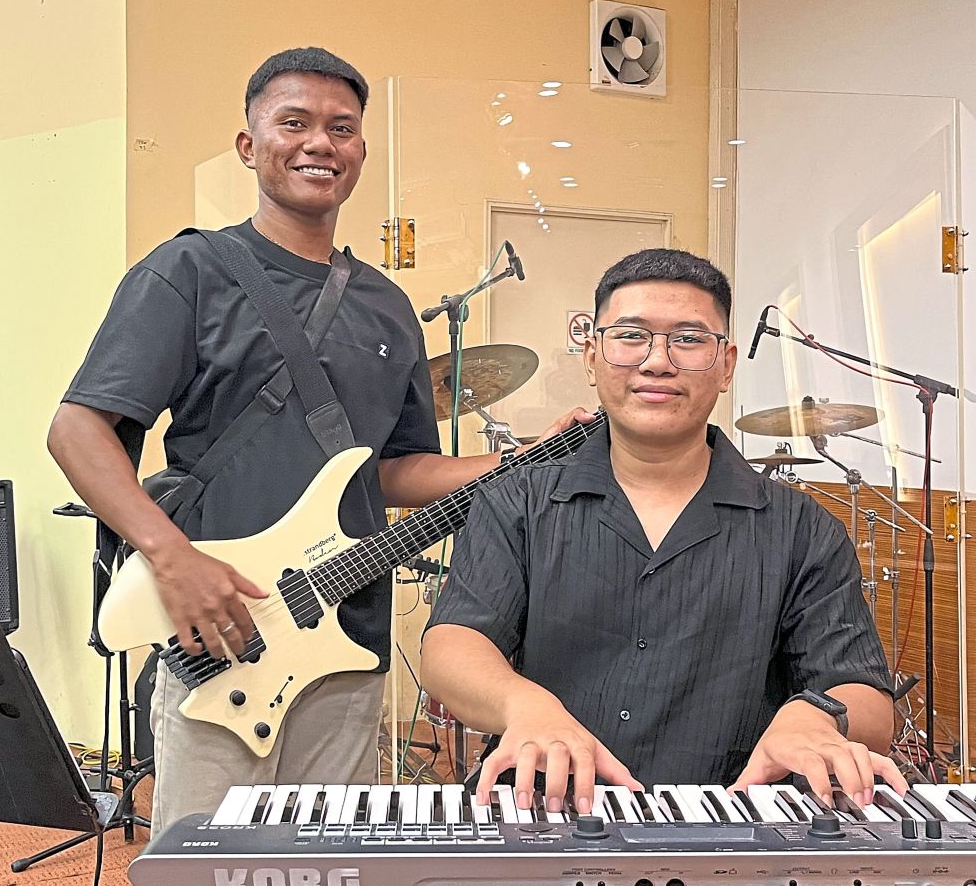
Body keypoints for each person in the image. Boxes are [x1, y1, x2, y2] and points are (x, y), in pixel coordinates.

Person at [47, 46, 587, 832]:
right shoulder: (189, 271)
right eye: (293, 123)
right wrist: (171, 555)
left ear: (361, 151)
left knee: (329, 858)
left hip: (346, 640)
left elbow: (395, 469)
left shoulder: (387, 305)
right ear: (248, 145)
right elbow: (77, 428)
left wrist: (514, 465)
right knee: (206, 868)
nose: (319, 144)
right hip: (222, 637)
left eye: (342, 129)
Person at [422, 248, 906, 818]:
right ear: (592, 355)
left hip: (737, 825)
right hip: (546, 810)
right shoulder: (518, 499)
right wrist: (523, 705)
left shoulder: (802, 528)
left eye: (689, 339)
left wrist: (818, 716)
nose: (657, 362)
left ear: (725, 366)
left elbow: (867, 697)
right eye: (630, 336)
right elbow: (451, 644)